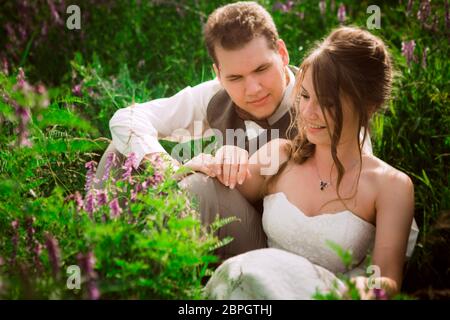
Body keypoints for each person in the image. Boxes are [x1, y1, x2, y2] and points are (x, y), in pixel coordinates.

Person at [202, 26, 418, 299]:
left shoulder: (390, 186)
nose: (307, 112)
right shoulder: (280, 155)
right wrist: (224, 157)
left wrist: (356, 290)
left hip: (328, 295)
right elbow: (217, 190)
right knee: (199, 184)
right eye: (304, 96)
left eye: (326, 103)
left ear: (368, 106)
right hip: (255, 284)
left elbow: (386, 279)